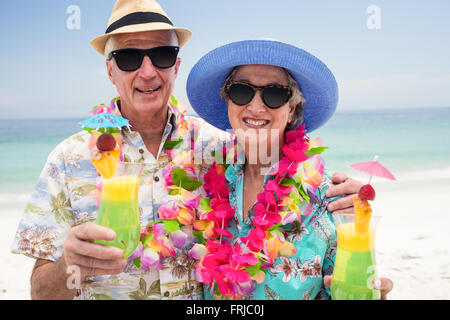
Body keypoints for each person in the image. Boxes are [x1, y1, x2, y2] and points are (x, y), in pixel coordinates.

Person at [11, 0, 363, 300]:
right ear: (110, 70)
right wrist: (71, 265)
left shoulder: (217, 148)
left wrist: (344, 196)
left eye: (162, 55)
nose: (148, 72)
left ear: (176, 65)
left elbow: (274, 158)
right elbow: (40, 292)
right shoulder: (67, 159)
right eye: (130, 57)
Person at [186, 39, 393, 299]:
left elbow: (350, 290)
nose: (256, 106)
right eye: (241, 91)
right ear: (227, 100)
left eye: (274, 94)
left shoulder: (331, 201)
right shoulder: (208, 185)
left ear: (291, 108)